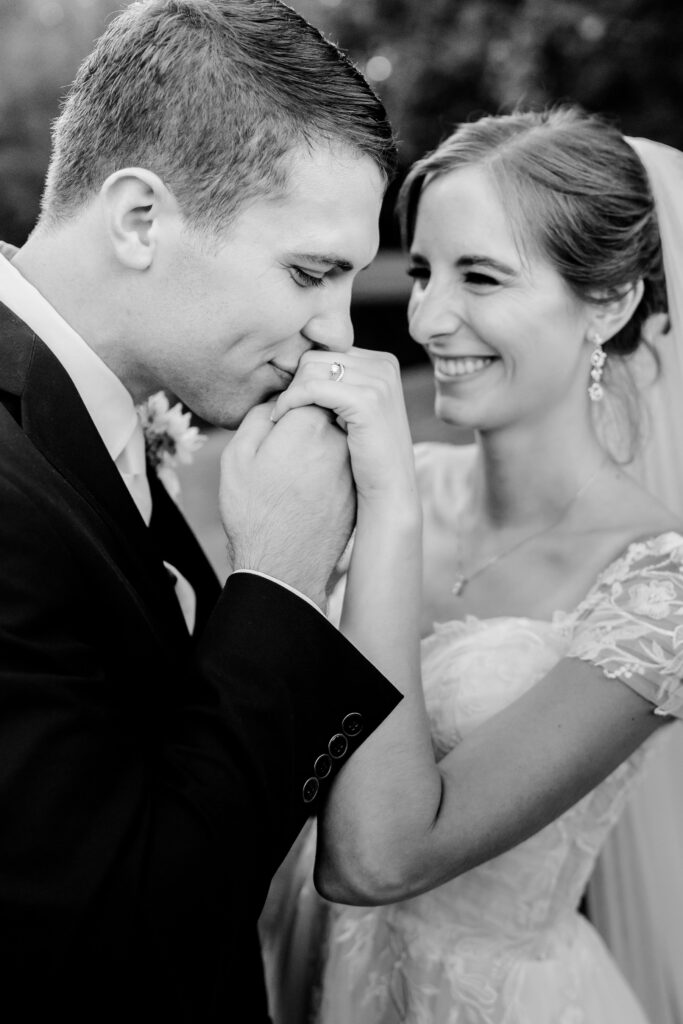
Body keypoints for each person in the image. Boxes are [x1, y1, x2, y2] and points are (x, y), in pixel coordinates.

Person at [0, 1, 409, 1020]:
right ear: (142, 218)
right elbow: (113, 954)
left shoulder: (85, 416)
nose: (331, 330)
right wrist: (279, 581)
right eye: (311, 273)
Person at [260, 107, 683, 1023]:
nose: (426, 316)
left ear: (606, 303)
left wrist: (390, 520)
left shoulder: (661, 592)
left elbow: (379, 858)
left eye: (480, 276)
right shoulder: (393, 482)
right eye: (420, 272)